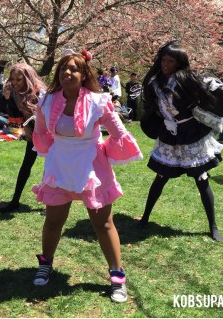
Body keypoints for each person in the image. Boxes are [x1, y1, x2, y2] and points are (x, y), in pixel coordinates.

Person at [30, 51, 142, 303]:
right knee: (53, 221)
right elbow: (41, 133)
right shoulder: (46, 101)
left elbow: (118, 132)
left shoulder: (98, 101)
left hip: (92, 166)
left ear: (84, 74)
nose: (67, 73)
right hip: (60, 165)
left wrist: (107, 151)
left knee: (104, 224)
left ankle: (117, 276)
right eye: (63, 68)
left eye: (73, 69)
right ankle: (46, 264)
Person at [138, 41, 223, 242]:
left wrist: (212, 86)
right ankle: (145, 218)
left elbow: (206, 90)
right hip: (169, 133)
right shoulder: (155, 83)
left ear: (178, 63)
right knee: (160, 177)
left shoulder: (185, 80)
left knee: (201, 178)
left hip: (190, 133)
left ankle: (213, 225)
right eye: (163, 60)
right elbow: (153, 105)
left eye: (170, 61)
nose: (165, 64)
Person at [0, 62, 47, 213]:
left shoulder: (40, 92)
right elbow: (16, 116)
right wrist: (28, 133)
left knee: (51, 168)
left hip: (50, 133)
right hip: (33, 132)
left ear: (27, 78)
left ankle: (52, 204)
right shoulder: (14, 92)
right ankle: (15, 201)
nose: (15, 83)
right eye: (13, 79)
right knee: (26, 165)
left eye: (19, 79)